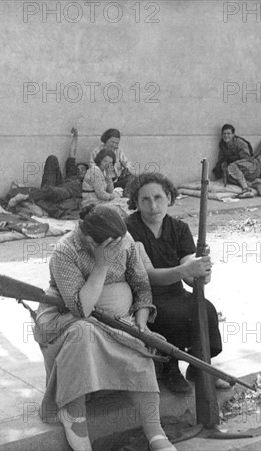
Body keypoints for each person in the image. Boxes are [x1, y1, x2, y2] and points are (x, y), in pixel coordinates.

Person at [33, 204, 176, 451]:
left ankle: (155, 432)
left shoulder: (125, 240)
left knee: (139, 345)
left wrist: (141, 323)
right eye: (111, 246)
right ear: (90, 240)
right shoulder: (65, 251)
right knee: (83, 334)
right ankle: (74, 416)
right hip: (70, 318)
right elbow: (81, 308)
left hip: (121, 320)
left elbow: (141, 285)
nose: (119, 247)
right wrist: (101, 265)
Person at [124, 173, 227, 394]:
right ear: (136, 202)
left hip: (175, 292)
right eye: (145, 200)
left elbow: (189, 272)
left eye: (158, 198)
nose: (153, 205)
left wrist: (201, 269)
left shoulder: (179, 228)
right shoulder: (129, 229)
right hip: (144, 298)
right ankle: (169, 370)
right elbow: (147, 275)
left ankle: (199, 365)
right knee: (168, 317)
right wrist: (186, 269)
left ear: (169, 198)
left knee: (206, 310)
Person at [8, 128, 88, 208]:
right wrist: (75, 136)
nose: (80, 170)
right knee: (52, 158)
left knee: (50, 190)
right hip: (59, 185)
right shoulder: (72, 174)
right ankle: (44, 194)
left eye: (83, 169)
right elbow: (72, 153)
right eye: (79, 168)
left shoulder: (86, 183)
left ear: (87, 172)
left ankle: (25, 197)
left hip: (66, 192)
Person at [212, 124, 261, 198]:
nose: (226, 136)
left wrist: (232, 162)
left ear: (233, 134)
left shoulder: (239, 143)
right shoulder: (222, 145)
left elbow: (246, 159)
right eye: (224, 134)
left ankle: (246, 190)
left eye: (228, 133)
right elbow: (221, 159)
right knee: (228, 174)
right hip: (239, 168)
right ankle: (258, 187)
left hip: (252, 166)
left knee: (232, 167)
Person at [82, 148, 129, 217]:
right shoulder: (94, 172)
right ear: (99, 160)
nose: (107, 164)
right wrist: (115, 195)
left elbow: (110, 191)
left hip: (100, 202)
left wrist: (109, 177)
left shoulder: (103, 172)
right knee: (123, 207)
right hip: (92, 205)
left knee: (127, 202)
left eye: (110, 163)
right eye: (105, 161)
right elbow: (102, 195)